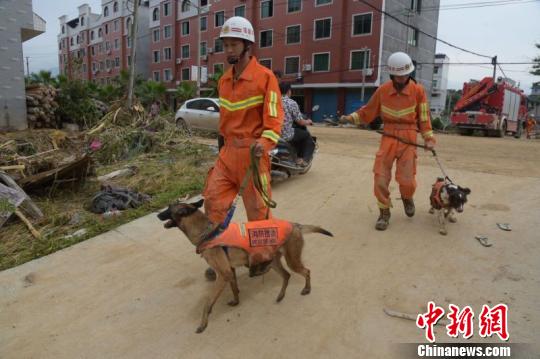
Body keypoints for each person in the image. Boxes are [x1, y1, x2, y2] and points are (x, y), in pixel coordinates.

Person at [202, 16, 284, 280]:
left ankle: (262, 257)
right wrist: (222, 145)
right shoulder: (224, 80)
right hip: (228, 153)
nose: (228, 50)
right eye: (225, 45)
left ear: (248, 45)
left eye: (234, 44)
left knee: (257, 211)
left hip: (253, 153)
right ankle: (220, 255)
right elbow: (226, 119)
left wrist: (264, 142)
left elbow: (274, 118)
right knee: (213, 200)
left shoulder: (265, 78)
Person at [340, 52, 436, 231]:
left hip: (409, 136)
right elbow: (367, 111)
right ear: (392, 74)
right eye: (398, 76)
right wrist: (350, 118)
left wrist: (429, 138)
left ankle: (407, 197)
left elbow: (424, 118)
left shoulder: (418, 91)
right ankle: (384, 212)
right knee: (380, 176)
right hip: (389, 135)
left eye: (405, 75)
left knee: (407, 179)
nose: (402, 78)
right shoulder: (383, 90)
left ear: (410, 73)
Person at [279, 82, 315, 166]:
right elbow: (300, 122)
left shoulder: (272, 101)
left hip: (273, 134)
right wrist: (308, 121)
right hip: (286, 134)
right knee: (306, 135)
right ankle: (302, 159)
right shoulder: (291, 103)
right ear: (289, 91)